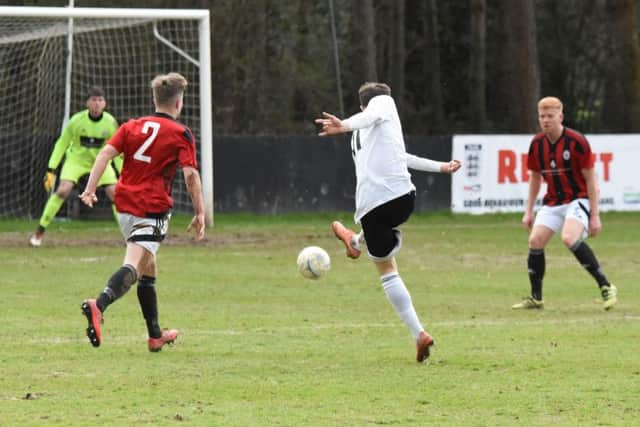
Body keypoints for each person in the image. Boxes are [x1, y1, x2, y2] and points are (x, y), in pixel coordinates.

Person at [315, 82, 461, 362]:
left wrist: (441, 166)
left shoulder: (360, 131)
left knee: (386, 270)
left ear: (360, 105)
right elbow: (372, 117)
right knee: (385, 262)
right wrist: (345, 124)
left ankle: (355, 241)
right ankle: (356, 241)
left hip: (371, 207)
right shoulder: (383, 104)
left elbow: (400, 156)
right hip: (402, 200)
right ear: (380, 102)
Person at [79, 72, 205, 352]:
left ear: (154, 98)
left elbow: (103, 155)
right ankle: (98, 305)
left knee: (149, 266)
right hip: (153, 209)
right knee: (135, 264)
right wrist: (200, 212)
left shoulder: (131, 126)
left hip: (124, 206)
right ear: (179, 103)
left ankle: (155, 335)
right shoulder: (181, 133)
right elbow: (191, 175)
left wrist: (90, 190)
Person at [512, 96, 617, 310]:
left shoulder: (576, 142)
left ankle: (606, 286)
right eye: (542, 116)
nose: (546, 120)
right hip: (554, 200)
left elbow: (591, 179)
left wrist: (595, 215)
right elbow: (534, 178)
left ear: (561, 116)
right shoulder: (537, 144)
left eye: (550, 116)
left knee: (569, 238)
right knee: (535, 241)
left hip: (579, 198)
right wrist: (528, 211)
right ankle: (536, 298)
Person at [29, 86, 121, 247]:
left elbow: (118, 150)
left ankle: (128, 236)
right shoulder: (76, 121)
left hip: (100, 162)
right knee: (63, 190)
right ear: (87, 102)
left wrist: (123, 172)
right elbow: (62, 143)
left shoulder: (111, 122)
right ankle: (39, 232)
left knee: (115, 193)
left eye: (100, 100)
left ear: (105, 103)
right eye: (93, 100)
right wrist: (51, 169)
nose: (97, 104)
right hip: (76, 160)